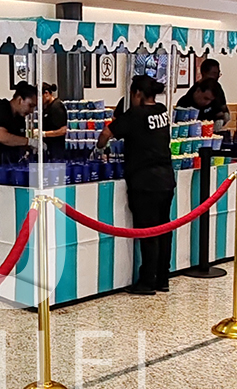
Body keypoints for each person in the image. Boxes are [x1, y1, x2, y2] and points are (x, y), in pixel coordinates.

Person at [97, 75, 175, 295]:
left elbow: (106, 133)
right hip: (166, 178)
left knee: (148, 232)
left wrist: (99, 148)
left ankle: (147, 281)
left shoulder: (135, 114)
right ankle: (162, 277)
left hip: (145, 181)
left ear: (137, 93)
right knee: (164, 230)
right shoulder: (162, 111)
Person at [0, 81, 39, 165]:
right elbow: (2, 137)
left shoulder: (19, 117)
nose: (31, 111)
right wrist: (30, 142)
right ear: (20, 100)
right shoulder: (0, 109)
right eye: (30, 105)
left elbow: (18, 140)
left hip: (7, 162)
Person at [199, 58, 231, 130]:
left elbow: (223, 106)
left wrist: (225, 115)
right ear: (204, 73)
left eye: (218, 74)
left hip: (215, 129)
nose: (217, 77)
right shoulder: (196, 90)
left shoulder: (217, 87)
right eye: (214, 73)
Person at [42, 83, 67, 160]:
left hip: (56, 151)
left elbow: (63, 130)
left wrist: (44, 134)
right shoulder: (46, 107)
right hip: (49, 149)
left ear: (46, 93)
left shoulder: (57, 107)